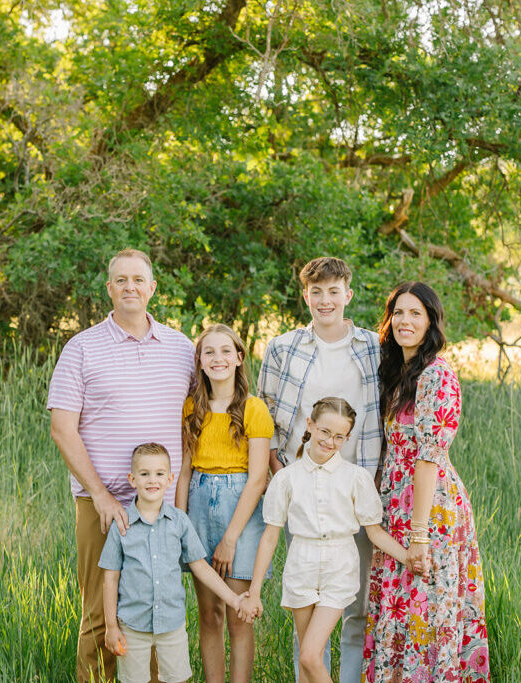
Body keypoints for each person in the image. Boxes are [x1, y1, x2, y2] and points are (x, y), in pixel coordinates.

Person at [48, 248, 195, 683]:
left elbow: (195, 422)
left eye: (138, 280)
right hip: (103, 505)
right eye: (120, 280)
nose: (130, 287)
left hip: (162, 508)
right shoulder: (82, 348)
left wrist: (180, 499)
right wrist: (100, 495)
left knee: (154, 610)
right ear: (109, 289)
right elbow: (62, 428)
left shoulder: (182, 348)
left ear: (152, 288)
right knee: (101, 611)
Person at [258, 256, 382, 681]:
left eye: (334, 291)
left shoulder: (373, 348)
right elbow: (267, 417)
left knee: (357, 607)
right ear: (305, 295)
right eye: (316, 291)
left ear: (348, 294)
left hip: (356, 489)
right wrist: (280, 471)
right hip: (303, 492)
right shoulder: (282, 348)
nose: (325, 300)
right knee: (307, 611)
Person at [361, 282, 490, 683]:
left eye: (416, 313)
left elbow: (428, 457)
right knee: (400, 609)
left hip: (428, 509)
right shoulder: (400, 374)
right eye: (399, 312)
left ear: (431, 321)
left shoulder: (436, 374)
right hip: (395, 505)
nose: (405, 321)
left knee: (425, 609)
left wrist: (418, 534)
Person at [239, 397, 409, 683]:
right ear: (310, 425)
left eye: (339, 436)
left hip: (339, 566)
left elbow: (374, 531)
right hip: (301, 566)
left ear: (347, 437)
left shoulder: (355, 478)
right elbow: (270, 537)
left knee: (309, 655)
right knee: (308, 663)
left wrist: (408, 557)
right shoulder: (286, 479)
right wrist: (254, 591)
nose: (330, 441)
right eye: (325, 432)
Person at [175, 324, 273, 683]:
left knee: (238, 613)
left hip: (240, 510)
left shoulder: (253, 409)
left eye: (225, 351)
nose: (218, 358)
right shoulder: (191, 408)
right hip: (199, 507)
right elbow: (184, 473)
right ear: (199, 362)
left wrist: (231, 537)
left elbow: (259, 477)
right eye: (209, 352)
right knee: (210, 613)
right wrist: (180, 525)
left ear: (239, 358)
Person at [100, 442, 244, 683]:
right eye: (144, 474)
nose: (152, 480)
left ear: (170, 479)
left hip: (171, 624)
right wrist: (111, 626)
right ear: (132, 479)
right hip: (132, 625)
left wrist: (233, 599)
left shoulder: (179, 522)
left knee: (175, 679)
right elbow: (110, 577)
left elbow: (200, 566)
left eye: (159, 474)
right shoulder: (122, 525)